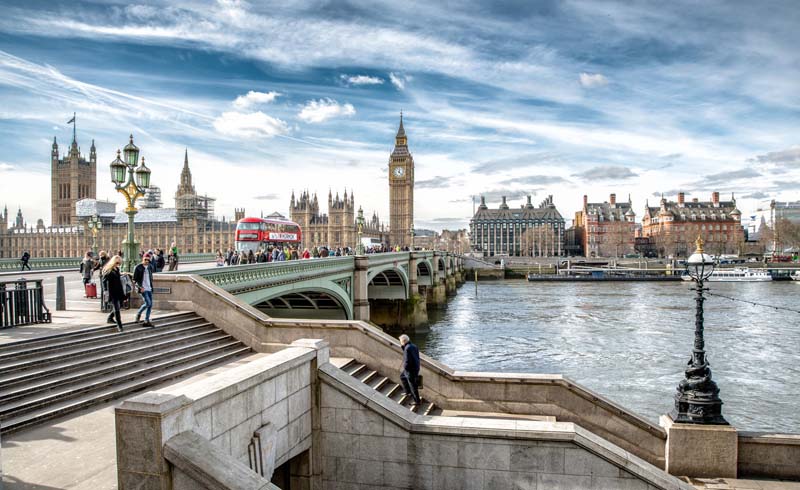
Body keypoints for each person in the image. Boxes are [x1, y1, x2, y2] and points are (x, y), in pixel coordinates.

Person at [102, 255, 126, 332]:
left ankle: (110, 318)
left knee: (120, 306)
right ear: (113, 262)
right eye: (117, 263)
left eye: (119, 263)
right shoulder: (109, 270)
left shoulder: (117, 269)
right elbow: (104, 281)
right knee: (116, 308)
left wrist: (122, 274)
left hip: (119, 290)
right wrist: (106, 290)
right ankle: (120, 325)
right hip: (112, 292)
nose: (118, 264)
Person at [399, 334, 421, 408]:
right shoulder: (413, 346)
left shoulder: (407, 348)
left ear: (403, 341)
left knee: (413, 385)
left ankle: (417, 401)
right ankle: (407, 391)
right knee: (402, 376)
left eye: (400, 341)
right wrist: (403, 347)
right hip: (416, 368)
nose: (400, 343)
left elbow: (407, 360)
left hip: (410, 369)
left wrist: (405, 367)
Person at [133, 255, 155, 327]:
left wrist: (151, 287)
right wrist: (140, 287)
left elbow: (151, 277)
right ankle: (138, 314)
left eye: (148, 260)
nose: (147, 261)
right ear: (143, 259)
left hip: (149, 288)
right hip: (143, 289)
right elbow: (134, 280)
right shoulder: (138, 267)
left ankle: (146, 320)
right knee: (148, 303)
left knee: (150, 305)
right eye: (145, 260)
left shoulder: (150, 267)